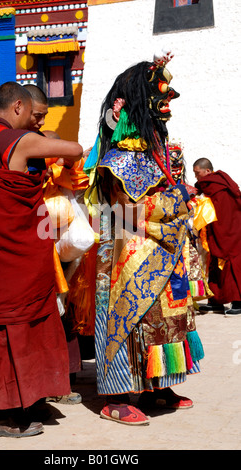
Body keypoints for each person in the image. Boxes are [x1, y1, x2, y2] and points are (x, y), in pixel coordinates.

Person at [0, 81, 83, 437]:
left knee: (15, 324)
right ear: (18, 107)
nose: (39, 123)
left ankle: (27, 399)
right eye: (37, 116)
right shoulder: (16, 140)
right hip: (14, 259)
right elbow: (75, 147)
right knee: (12, 326)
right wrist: (54, 147)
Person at [84, 51, 205, 425]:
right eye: (161, 95)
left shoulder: (162, 156)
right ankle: (116, 395)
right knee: (130, 324)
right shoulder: (116, 159)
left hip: (166, 255)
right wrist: (178, 201)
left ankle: (158, 386)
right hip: (129, 259)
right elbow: (132, 212)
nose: (169, 102)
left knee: (167, 321)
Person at [24, 83, 85, 404]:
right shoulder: (23, 161)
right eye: (39, 115)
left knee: (64, 315)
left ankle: (65, 382)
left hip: (62, 252)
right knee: (44, 318)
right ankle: (47, 385)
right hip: (33, 252)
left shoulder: (58, 169)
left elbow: (78, 166)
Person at [193, 158, 241, 316]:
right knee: (214, 264)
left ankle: (238, 302)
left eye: (197, 173)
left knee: (231, 263)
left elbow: (225, 210)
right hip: (221, 229)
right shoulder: (217, 184)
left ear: (207, 171)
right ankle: (216, 301)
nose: (197, 178)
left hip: (228, 231)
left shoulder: (214, 185)